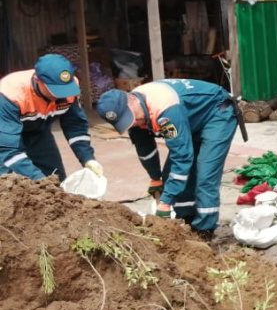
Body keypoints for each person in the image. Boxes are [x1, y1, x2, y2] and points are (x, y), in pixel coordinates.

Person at [96, 78, 242, 241]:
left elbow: (182, 157)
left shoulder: (165, 109)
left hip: (217, 112)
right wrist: (155, 178)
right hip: (190, 118)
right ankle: (187, 220)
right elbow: (145, 151)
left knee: (205, 175)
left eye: (131, 117)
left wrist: (165, 201)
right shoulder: (133, 118)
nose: (134, 122)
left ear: (132, 98)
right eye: (126, 121)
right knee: (169, 177)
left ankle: (205, 231)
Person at [0, 54, 103, 181]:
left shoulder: (69, 88)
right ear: (38, 80)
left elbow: (75, 126)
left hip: (38, 133)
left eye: (64, 89)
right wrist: (40, 181)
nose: (60, 95)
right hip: (4, 134)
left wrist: (87, 158)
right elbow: (8, 149)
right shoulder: (11, 94)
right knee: (11, 183)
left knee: (55, 179)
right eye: (55, 90)